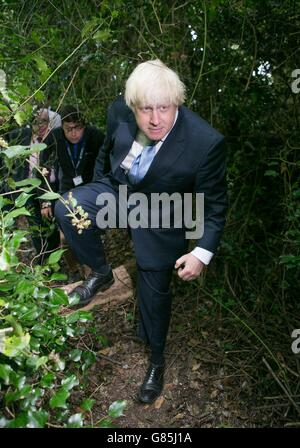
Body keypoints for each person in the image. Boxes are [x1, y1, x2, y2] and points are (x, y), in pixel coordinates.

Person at [55, 60, 227, 404]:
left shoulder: (205, 142)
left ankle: (156, 360)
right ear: (132, 105)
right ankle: (102, 274)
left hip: (164, 210)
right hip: (121, 192)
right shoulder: (119, 111)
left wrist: (201, 253)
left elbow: (215, 206)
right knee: (67, 206)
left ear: (176, 102)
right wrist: (103, 182)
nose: (154, 119)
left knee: (154, 288)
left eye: (163, 108)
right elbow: (107, 152)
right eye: (145, 109)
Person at [43, 106, 105, 277]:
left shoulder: (95, 136)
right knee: (65, 238)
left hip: (89, 190)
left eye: (78, 127)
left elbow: (110, 158)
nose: (74, 133)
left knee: (86, 232)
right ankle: (73, 270)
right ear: (61, 126)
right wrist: (46, 201)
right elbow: (43, 167)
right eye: (69, 129)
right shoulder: (54, 138)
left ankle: (93, 272)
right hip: (66, 190)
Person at [6, 107, 61, 263]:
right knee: (35, 228)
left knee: (52, 224)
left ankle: (56, 258)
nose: (40, 125)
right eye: (36, 122)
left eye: (44, 121)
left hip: (49, 189)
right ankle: (43, 262)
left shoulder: (55, 139)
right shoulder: (23, 135)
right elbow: (6, 138)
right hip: (28, 189)